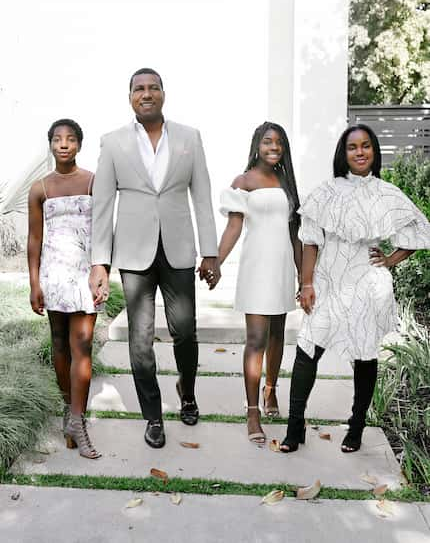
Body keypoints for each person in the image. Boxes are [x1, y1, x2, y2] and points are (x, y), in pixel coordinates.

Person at [89, 68, 219, 449]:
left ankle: (188, 392)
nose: (146, 94)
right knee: (140, 340)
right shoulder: (112, 143)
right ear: (130, 96)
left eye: (153, 87)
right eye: (139, 89)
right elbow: (103, 205)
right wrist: (100, 261)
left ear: (164, 93)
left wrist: (209, 253)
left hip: (178, 249)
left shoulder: (189, 138)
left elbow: (202, 197)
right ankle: (153, 415)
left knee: (185, 332)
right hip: (133, 252)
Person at [280, 123, 430, 454]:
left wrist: (391, 260)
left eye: (365, 146)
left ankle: (356, 426)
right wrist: (306, 282)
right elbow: (310, 242)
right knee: (307, 350)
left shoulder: (387, 194)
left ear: (374, 152)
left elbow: (420, 229)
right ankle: (294, 427)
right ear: (343, 153)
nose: (359, 152)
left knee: (365, 355)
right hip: (328, 284)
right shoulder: (326, 192)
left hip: (367, 285)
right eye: (352, 147)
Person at [218, 122, 302, 444]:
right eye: (268, 141)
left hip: (281, 268)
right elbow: (234, 229)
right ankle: (252, 411)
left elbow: (296, 235)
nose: (274, 147)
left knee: (278, 334)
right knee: (256, 339)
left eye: (279, 142)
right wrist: (216, 261)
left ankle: (271, 390)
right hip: (256, 269)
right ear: (257, 144)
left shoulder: (286, 183)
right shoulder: (244, 181)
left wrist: (304, 278)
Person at [27, 119, 102, 459]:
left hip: (85, 275)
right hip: (54, 274)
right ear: (50, 145)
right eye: (57, 139)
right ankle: (67, 409)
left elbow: (104, 232)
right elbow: (34, 238)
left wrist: (103, 271)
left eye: (70, 139)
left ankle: (78, 420)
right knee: (59, 342)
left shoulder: (92, 182)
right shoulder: (40, 188)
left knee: (82, 344)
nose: (63, 144)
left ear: (79, 145)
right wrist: (33, 282)